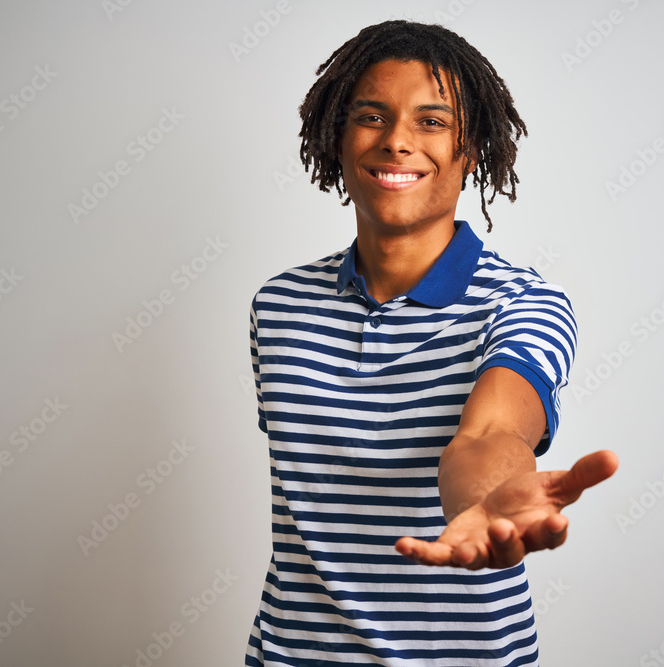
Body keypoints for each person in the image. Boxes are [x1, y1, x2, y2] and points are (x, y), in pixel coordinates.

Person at [245, 20, 618, 666]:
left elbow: (490, 431)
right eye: (371, 116)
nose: (396, 142)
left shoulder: (524, 304)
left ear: (470, 147)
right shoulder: (276, 307)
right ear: (336, 137)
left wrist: (486, 506)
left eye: (431, 122)